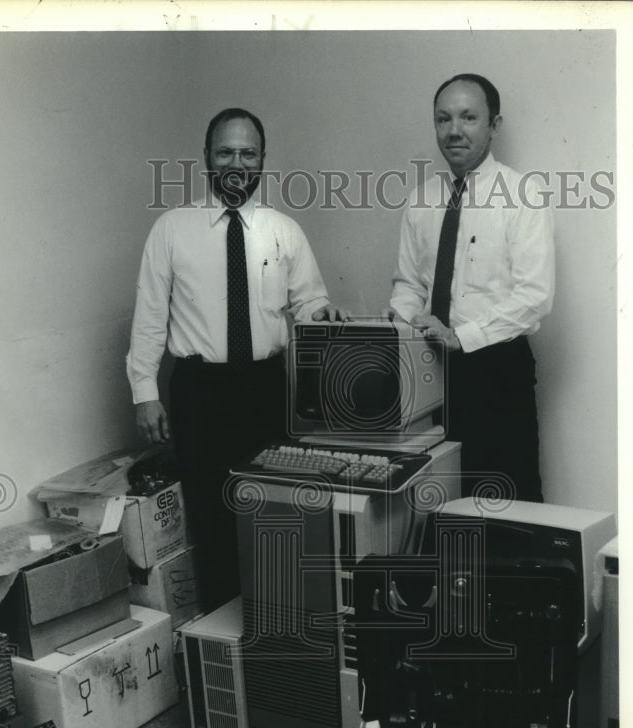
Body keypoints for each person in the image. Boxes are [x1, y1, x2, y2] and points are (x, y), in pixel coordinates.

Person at [127, 107, 348, 611]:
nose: (236, 162)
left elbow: (308, 302)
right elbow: (148, 319)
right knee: (212, 521)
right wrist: (145, 393)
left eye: (248, 153)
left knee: (274, 513)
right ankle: (223, 636)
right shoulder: (171, 229)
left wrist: (322, 313)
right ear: (206, 157)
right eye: (225, 151)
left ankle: (274, 630)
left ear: (263, 160)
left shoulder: (283, 230)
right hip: (200, 393)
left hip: (267, 390)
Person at [389, 73, 554, 503]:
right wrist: (401, 326)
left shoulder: (523, 194)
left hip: (496, 374)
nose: (454, 130)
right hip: (428, 372)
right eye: (443, 119)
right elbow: (408, 284)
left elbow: (534, 297)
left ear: (493, 126)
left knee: (504, 505)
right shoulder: (420, 200)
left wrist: (460, 337)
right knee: (435, 501)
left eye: (468, 117)